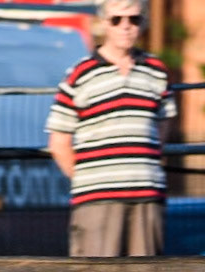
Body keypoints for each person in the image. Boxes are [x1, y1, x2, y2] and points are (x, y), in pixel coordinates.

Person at [46, 0, 176, 258]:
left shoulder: (156, 71)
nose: (125, 27)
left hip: (147, 194)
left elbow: (164, 124)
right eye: (117, 19)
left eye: (134, 19)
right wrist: (91, 179)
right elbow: (58, 142)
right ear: (104, 23)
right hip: (97, 198)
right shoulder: (80, 75)